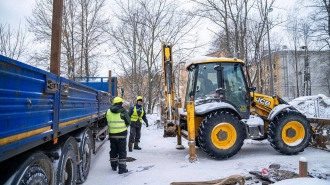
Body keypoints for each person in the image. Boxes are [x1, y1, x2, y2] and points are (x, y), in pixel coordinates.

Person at [106, 97, 131, 174]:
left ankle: (113, 166)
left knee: (113, 150)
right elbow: (128, 122)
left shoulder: (108, 111)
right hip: (122, 135)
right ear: (120, 103)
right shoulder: (123, 111)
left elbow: (105, 122)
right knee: (122, 151)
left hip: (112, 135)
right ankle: (122, 169)